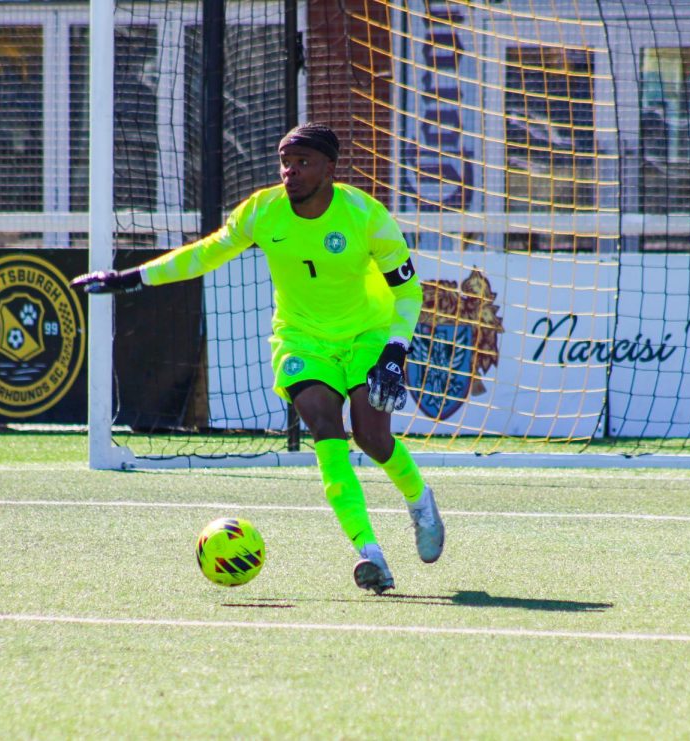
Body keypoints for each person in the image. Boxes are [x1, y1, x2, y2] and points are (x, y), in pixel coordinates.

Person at [72, 123, 444, 594]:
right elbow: (207, 253)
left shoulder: (365, 215)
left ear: (330, 169)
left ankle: (419, 499)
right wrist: (133, 278)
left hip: (368, 334)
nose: (291, 172)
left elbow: (408, 292)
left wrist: (395, 351)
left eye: (304, 162)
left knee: (372, 436)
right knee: (324, 429)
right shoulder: (263, 211)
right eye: (285, 163)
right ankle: (369, 552)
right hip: (301, 339)